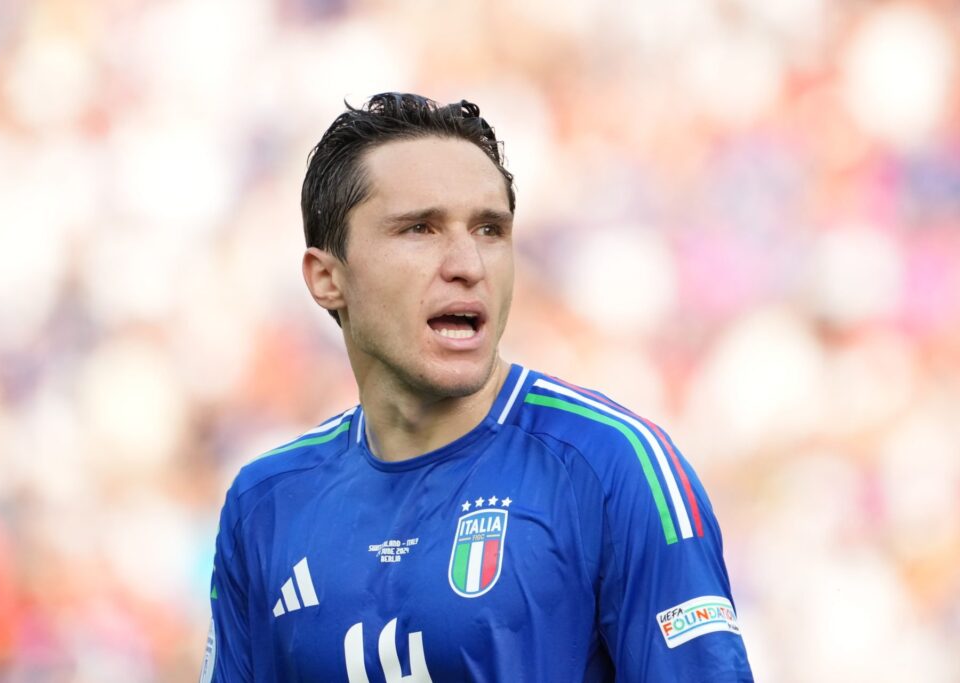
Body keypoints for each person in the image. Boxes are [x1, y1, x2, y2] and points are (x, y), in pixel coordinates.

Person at [201, 93, 754, 682]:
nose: (468, 262)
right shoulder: (266, 502)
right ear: (327, 278)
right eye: (420, 229)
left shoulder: (613, 467)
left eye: (490, 229)